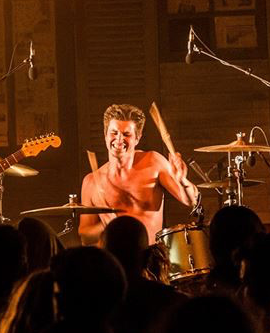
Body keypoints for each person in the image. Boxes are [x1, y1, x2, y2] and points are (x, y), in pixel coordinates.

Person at [77, 104, 198, 245]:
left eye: (126, 134)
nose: (119, 139)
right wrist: (107, 224)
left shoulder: (154, 162)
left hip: (150, 256)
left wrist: (182, 181)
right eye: (114, 133)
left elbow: (191, 201)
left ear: (137, 138)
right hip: (114, 260)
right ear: (105, 135)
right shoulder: (91, 181)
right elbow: (85, 236)